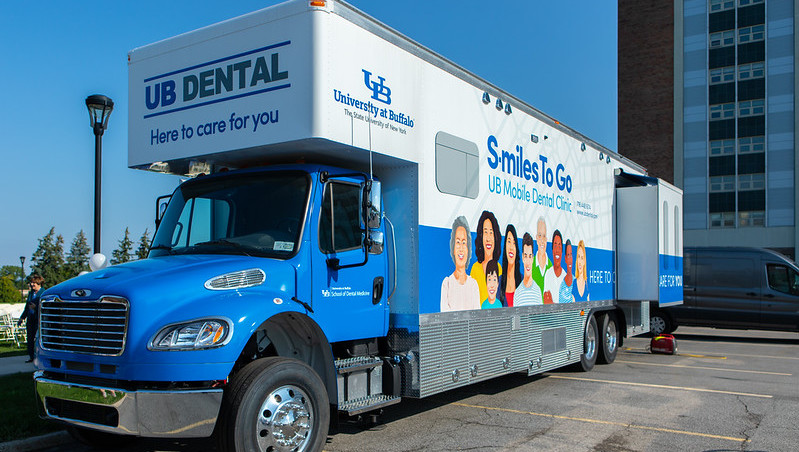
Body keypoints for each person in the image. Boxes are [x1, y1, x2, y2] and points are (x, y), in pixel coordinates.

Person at [441, 216, 480, 312]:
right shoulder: (447, 283)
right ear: (453, 249)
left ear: (468, 249)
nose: (461, 248)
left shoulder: (473, 285)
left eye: (464, 243)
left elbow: (477, 317)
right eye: (458, 242)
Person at [470, 211, 502, 302]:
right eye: (485, 232)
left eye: (491, 233)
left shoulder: (499, 268)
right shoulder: (475, 269)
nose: (488, 238)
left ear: (496, 237)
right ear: (481, 236)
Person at [18, 273, 44, 363]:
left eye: (34, 283)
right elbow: (26, 307)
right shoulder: (30, 294)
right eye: (31, 283)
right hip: (30, 319)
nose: (32, 284)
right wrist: (22, 318)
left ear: (39, 283)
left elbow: (45, 308)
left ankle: (40, 357)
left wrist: (36, 308)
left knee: (38, 339)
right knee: (30, 338)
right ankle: (31, 356)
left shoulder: (43, 293)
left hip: (38, 320)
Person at [514, 233, 543, 306]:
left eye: (530, 256)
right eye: (526, 256)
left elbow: (541, 316)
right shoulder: (517, 293)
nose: (528, 261)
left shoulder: (537, 291)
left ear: (533, 258)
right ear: (523, 257)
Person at [501, 224, 522, 307]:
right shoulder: (498, 282)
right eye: (509, 241)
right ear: (505, 246)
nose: (511, 247)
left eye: (514, 243)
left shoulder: (522, 280)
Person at [532, 217, 551, 300]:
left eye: (544, 236)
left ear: (546, 239)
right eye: (540, 235)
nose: (542, 240)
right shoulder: (530, 265)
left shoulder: (551, 267)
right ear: (536, 238)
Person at [543, 230, 565, 304]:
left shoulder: (565, 277)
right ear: (552, 250)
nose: (557, 250)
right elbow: (546, 301)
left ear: (562, 251)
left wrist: (551, 302)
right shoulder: (548, 274)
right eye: (555, 246)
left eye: (559, 246)